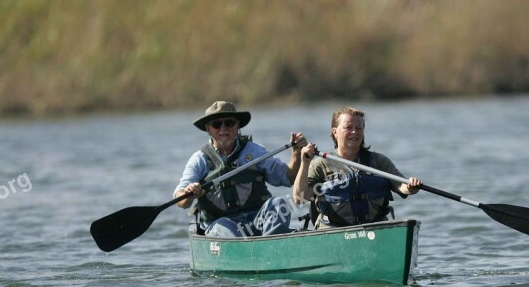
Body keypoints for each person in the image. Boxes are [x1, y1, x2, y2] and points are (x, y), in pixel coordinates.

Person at [174, 101, 308, 237]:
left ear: (237, 126)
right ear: (208, 129)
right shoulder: (199, 159)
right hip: (221, 224)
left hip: (257, 220)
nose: (223, 128)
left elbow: (288, 178)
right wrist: (189, 192)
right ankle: (248, 249)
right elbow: (181, 201)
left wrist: (297, 154)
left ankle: (271, 244)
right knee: (225, 228)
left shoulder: (255, 152)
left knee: (279, 203)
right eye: (216, 124)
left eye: (229, 123)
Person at [292, 106, 422, 228]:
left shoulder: (379, 161)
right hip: (333, 231)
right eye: (348, 127)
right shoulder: (320, 164)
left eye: (359, 128)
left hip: (375, 229)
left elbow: (402, 186)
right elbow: (299, 199)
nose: (354, 132)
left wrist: (411, 186)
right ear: (335, 132)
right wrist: (305, 162)